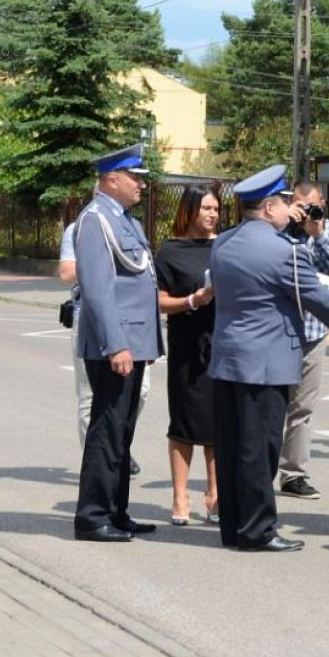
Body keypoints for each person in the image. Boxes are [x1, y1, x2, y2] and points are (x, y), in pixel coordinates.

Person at [208, 165, 329, 551]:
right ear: (268, 208)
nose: (287, 212)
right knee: (259, 450)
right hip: (266, 363)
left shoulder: (224, 242)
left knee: (231, 448)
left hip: (228, 359)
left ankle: (234, 528)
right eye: (282, 205)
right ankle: (259, 531)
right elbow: (316, 295)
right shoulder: (284, 251)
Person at [73, 144, 163, 543]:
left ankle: (116, 510)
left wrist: (144, 344)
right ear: (112, 179)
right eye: (135, 177)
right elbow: (96, 291)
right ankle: (92, 517)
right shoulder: (95, 220)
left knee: (122, 434)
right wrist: (117, 345)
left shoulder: (125, 219)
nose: (141, 184)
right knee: (107, 433)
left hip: (134, 341)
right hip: (116, 346)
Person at [278, 179, 329, 500]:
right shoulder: (277, 228)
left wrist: (317, 233)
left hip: (312, 331)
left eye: (313, 205)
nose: (308, 211)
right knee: (270, 404)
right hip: (279, 330)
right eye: (301, 205)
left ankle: (293, 473)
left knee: (302, 407)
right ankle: (257, 468)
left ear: (322, 202)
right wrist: (287, 223)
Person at [154, 185, 220, 525]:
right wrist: (191, 301)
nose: (211, 214)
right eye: (205, 208)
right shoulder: (170, 252)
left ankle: (215, 495)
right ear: (189, 210)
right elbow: (158, 300)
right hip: (186, 344)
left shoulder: (224, 247)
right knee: (183, 422)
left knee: (217, 422)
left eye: (216, 208)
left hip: (220, 344)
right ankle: (180, 496)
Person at [60, 218, 147, 474]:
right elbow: (66, 273)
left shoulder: (131, 226)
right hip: (90, 316)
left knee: (139, 391)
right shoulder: (80, 228)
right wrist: (103, 262)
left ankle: (116, 446)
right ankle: (97, 464)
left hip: (130, 319)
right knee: (91, 396)